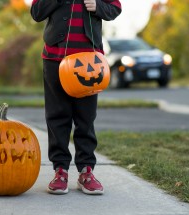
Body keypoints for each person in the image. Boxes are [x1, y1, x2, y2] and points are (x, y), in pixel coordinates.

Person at [30, 0, 121, 195]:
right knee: (57, 116)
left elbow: (115, 8)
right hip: (55, 60)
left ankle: (86, 171)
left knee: (85, 118)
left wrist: (97, 6)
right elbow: (36, 12)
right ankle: (60, 170)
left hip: (90, 62)